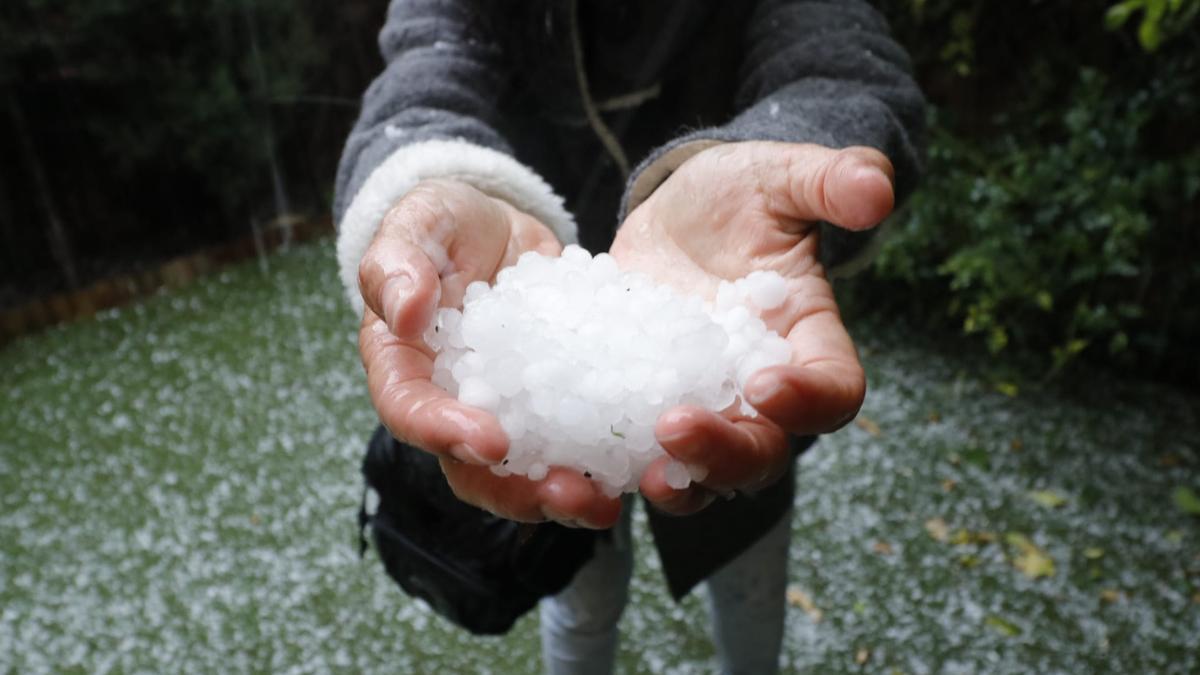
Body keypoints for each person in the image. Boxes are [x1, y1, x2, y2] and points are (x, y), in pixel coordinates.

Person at [334, 1, 924, 673]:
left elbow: (839, 58)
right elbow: (426, 72)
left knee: (748, 581)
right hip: (534, 324)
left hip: (733, 333)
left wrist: (784, 156)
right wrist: (429, 179)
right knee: (580, 595)